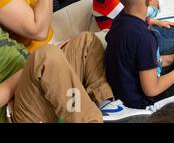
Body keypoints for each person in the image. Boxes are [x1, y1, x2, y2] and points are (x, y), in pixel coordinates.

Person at [0, 27, 149, 123]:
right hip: (15, 112)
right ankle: (90, 120)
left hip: (30, 83)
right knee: (47, 56)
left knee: (86, 41)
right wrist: (35, 65)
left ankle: (106, 106)